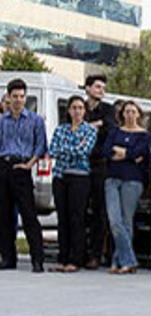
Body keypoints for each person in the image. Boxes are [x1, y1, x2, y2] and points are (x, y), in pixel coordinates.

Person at [0, 79, 48, 273]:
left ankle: (38, 259)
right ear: (8, 98)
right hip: (3, 166)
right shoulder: (2, 120)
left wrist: (29, 164)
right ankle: (8, 257)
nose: (18, 100)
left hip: (23, 168)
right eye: (15, 96)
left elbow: (41, 145)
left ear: (25, 97)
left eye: (22, 96)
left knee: (29, 215)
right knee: (3, 215)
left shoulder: (35, 120)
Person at [101, 99, 151, 274]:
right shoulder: (115, 131)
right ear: (122, 114)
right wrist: (129, 155)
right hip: (113, 179)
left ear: (138, 114)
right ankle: (129, 259)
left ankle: (119, 261)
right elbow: (106, 151)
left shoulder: (144, 135)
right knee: (114, 220)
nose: (130, 114)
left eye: (133, 111)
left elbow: (140, 153)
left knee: (126, 221)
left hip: (132, 180)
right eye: (126, 111)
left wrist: (124, 153)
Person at [48, 95, 97, 272]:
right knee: (63, 219)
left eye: (80, 108)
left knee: (77, 218)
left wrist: (66, 150)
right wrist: (72, 150)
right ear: (68, 110)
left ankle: (75, 259)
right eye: (74, 108)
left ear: (85, 111)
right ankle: (62, 257)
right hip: (60, 177)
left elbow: (84, 151)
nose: (77, 111)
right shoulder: (61, 129)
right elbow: (52, 150)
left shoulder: (90, 130)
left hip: (80, 177)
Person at [82, 73, 116, 269]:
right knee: (80, 210)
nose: (101, 91)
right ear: (87, 88)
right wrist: (93, 126)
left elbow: (109, 128)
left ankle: (96, 253)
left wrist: (92, 126)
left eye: (103, 87)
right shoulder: (80, 107)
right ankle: (79, 252)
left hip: (100, 164)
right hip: (81, 163)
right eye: (97, 87)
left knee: (99, 211)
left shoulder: (108, 109)